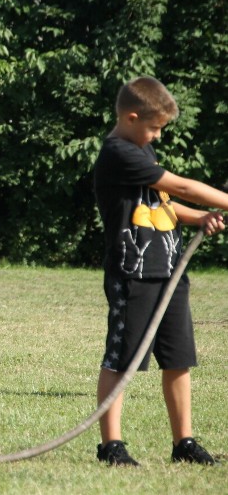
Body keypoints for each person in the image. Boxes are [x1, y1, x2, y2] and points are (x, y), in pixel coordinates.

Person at [92, 76, 226, 466]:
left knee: (178, 358)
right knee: (121, 360)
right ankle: (111, 445)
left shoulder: (141, 150)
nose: (157, 136)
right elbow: (181, 185)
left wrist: (201, 217)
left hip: (168, 271)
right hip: (133, 274)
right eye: (154, 127)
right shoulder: (119, 151)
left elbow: (163, 203)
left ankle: (183, 442)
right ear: (131, 117)